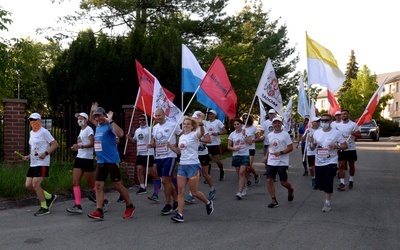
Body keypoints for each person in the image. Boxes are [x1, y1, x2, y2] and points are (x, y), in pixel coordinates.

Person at [87, 106, 135, 220]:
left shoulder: (109, 126)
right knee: (98, 185)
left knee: (117, 185)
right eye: (96, 116)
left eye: (99, 115)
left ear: (104, 115)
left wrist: (111, 121)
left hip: (112, 161)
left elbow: (121, 134)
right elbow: (90, 119)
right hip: (101, 161)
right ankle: (99, 210)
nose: (97, 118)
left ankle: (129, 206)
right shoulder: (98, 126)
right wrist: (91, 110)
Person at [167, 116, 214, 222]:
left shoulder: (194, 135)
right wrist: (170, 147)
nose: (186, 125)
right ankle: (180, 214)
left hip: (193, 165)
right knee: (180, 191)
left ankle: (208, 202)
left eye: (188, 124)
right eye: (184, 124)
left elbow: (201, 133)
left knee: (194, 192)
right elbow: (179, 152)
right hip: (183, 165)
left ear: (192, 126)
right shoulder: (181, 137)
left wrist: (201, 124)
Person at [308, 113, 347, 212]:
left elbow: (345, 145)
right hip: (319, 162)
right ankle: (326, 191)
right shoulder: (317, 133)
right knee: (320, 184)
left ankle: (327, 203)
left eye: (326, 120)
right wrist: (311, 142)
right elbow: (313, 147)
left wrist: (336, 146)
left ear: (330, 122)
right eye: (322, 121)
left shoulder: (336, 133)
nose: (324, 122)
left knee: (328, 181)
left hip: (331, 161)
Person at [23, 112, 59, 216]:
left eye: (35, 120)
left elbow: (55, 144)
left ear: (39, 121)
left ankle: (44, 207)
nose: (33, 122)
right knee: (28, 185)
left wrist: (46, 153)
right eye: (31, 120)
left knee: (36, 184)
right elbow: (34, 148)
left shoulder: (44, 132)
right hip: (33, 163)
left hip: (43, 162)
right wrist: (28, 156)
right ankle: (49, 197)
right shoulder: (31, 132)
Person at [150, 109, 181, 215]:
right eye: (156, 116)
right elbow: (154, 141)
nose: (157, 117)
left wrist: (177, 145)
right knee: (167, 180)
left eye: (159, 115)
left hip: (170, 155)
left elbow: (181, 134)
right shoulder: (155, 127)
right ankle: (176, 201)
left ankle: (168, 205)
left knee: (165, 180)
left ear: (164, 115)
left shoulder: (172, 124)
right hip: (159, 156)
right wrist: (152, 144)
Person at [66, 112, 97, 214]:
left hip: (87, 159)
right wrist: (76, 148)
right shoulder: (81, 131)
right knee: (75, 182)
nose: (79, 120)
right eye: (78, 118)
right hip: (79, 158)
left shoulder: (89, 129)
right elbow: (81, 144)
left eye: (81, 118)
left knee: (91, 183)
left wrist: (81, 147)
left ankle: (103, 199)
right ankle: (78, 205)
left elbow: (92, 143)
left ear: (86, 120)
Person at [262, 117, 294, 208]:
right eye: (275, 123)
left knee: (283, 182)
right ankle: (274, 200)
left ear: (281, 124)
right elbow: (269, 146)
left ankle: (290, 189)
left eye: (278, 123)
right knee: (269, 180)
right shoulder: (270, 135)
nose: (276, 125)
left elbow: (290, 148)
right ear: (272, 124)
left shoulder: (285, 135)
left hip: (282, 162)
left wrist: (281, 152)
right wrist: (266, 156)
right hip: (271, 161)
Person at [185, 111, 216, 203]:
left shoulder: (203, 129)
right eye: (194, 119)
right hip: (193, 155)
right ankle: (191, 195)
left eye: (197, 119)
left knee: (205, 174)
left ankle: (212, 189)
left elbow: (209, 140)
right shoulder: (190, 129)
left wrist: (200, 139)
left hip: (203, 155)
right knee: (193, 175)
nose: (196, 120)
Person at [126, 114, 159, 196]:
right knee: (139, 169)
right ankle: (142, 187)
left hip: (149, 153)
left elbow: (154, 140)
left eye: (143, 120)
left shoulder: (150, 129)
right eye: (140, 120)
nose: (142, 121)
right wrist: (129, 138)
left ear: (146, 121)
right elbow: (135, 141)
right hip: (140, 153)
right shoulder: (137, 130)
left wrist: (151, 144)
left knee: (152, 172)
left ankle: (158, 181)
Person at [335, 110, 361, 190]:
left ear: (348, 115)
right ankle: (342, 183)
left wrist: (355, 134)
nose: (343, 115)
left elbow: (360, 135)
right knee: (341, 166)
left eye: (345, 114)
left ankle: (351, 180)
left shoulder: (353, 124)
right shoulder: (338, 125)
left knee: (351, 165)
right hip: (342, 148)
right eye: (342, 114)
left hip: (351, 148)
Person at [227, 118, 253, 199]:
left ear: (241, 125)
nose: (236, 126)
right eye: (235, 124)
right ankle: (244, 186)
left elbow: (250, 142)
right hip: (236, 155)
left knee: (242, 172)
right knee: (239, 174)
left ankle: (239, 192)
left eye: (238, 124)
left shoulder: (246, 132)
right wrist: (234, 149)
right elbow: (229, 146)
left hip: (244, 154)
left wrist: (245, 135)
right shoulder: (232, 134)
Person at [205, 110, 227, 181]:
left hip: (216, 144)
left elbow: (225, 131)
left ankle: (221, 171)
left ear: (214, 115)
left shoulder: (218, 122)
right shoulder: (206, 123)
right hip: (208, 144)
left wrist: (218, 133)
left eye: (211, 114)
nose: (210, 115)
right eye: (209, 114)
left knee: (217, 160)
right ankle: (208, 176)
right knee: (208, 160)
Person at [301, 116, 321, 189]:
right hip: (310, 151)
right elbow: (302, 139)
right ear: (312, 123)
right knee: (311, 168)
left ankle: (317, 179)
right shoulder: (308, 130)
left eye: (319, 121)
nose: (318, 123)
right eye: (316, 121)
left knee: (317, 167)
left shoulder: (321, 130)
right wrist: (306, 134)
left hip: (319, 151)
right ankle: (313, 177)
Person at [242, 113, 260, 186]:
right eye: (244, 118)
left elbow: (258, 138)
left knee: (248, 165)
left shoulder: (253, 128)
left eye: (247, 118)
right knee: (244, 166)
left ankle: (256, 175)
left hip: (251, 148)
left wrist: (253, 141)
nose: (245, 119)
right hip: (243, 148)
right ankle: (248, 180)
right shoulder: (242, 127)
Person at [258, 109, 277, 175]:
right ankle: (267, 169)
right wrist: (262, 136)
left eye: (272, 114)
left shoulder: (277, 122)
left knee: (273, 157)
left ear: (275, 114)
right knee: (266, 157)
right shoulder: (265, 123)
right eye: (270, 114)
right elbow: (262, 132)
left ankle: (273, 171)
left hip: (275, 143)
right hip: (267, 143)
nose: (271, 115)